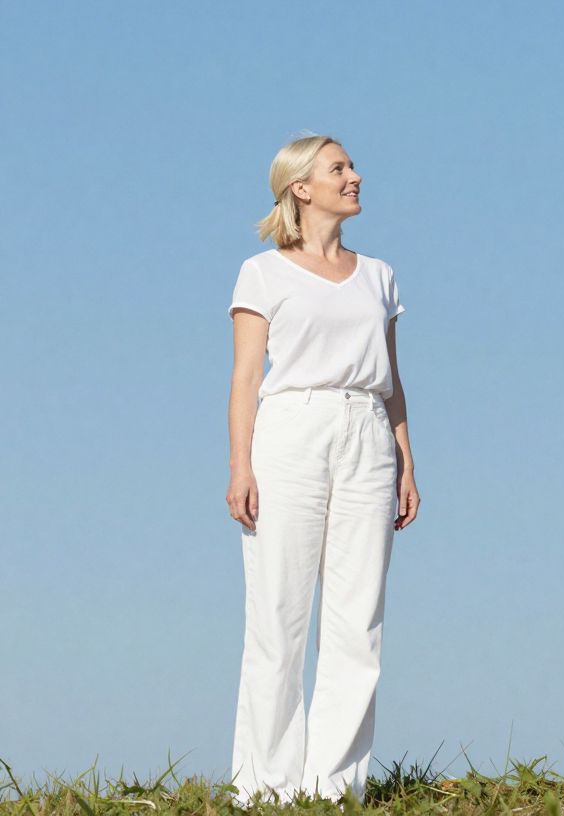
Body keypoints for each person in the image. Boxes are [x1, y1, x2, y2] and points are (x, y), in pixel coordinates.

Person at [227, 134, 421, 802]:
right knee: (278, 615)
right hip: (290, 432)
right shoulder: (263, 273)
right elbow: (246, 376)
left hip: (367, 431)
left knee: (357, 617)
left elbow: (392, 379)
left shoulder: (380, 275)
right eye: (340, 168)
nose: (356, 176)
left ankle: (334, 788)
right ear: (301, 188)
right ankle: (264, 787)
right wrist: (239, 466)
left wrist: (405, 461)